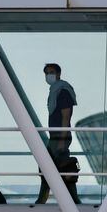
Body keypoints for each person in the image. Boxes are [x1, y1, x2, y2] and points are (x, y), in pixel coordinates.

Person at [35, 63, 81, 204]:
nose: (49, 76)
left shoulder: (63, 91)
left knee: (47, 167)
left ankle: (42, 200)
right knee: (61, 167)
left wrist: (62, 139)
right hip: (55, 136)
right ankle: (74, 200)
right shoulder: (55, 91)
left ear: (59, 73)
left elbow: (66, 116)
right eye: (46, 73)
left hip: (60, 136)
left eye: (51, 72)